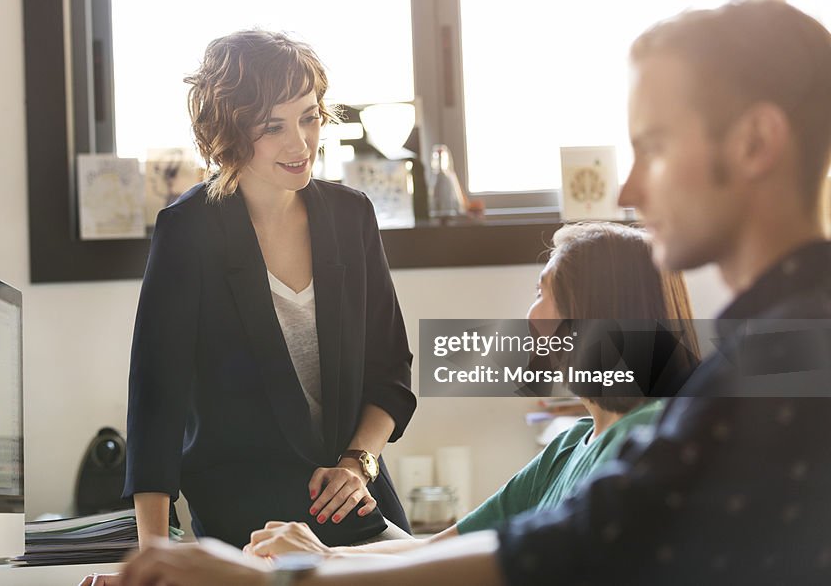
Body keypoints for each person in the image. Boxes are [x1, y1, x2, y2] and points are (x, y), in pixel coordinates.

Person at [116, 0, 831, 586]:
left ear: (755, 143)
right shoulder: (720, 383)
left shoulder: (773, 375)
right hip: (256, 510)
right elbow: (514, 539)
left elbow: (567, 545)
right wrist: (286, 560)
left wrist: (292, 568)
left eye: (656, 145)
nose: (627, 189)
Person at [244, 222, 698, 558]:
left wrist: (322, 560)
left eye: (543, 294)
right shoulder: (568, 447)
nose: (531, 316)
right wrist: (338, 540)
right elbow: (443, 551)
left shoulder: (647, 440)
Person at [123, 31, 417, 550]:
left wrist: (359, 462)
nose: (300, 143)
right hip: (244, 512)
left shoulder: (351, 217)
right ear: (230, 133)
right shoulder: (188, 230)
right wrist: (154, 552)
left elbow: (390, 370)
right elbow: (156, 402)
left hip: (352, 494)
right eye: (272, 127)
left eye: (309, 116)